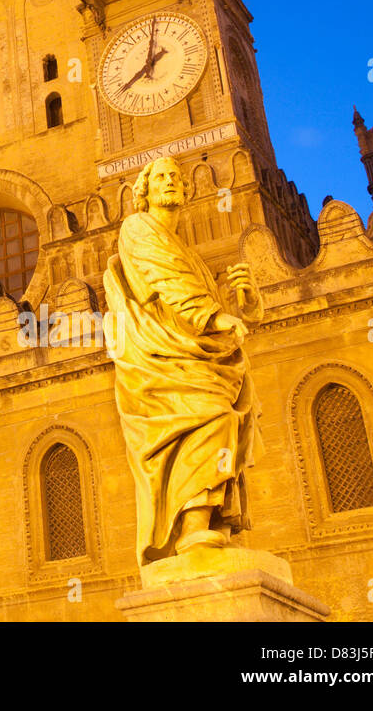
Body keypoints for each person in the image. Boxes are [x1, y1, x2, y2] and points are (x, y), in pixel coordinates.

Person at [103, 156, 263, 563]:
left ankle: (208, 524)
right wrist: (212, 314)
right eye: (160, 176)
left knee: (222, 416)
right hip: (158, 362)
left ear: (187, 189)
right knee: (214, 417)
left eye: (176, 176)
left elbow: (199, 312)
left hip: (188, 357)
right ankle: (193, 526)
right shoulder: (137, 228)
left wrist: (243, 304)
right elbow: (164, 283)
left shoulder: (191, 256)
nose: (170, 180)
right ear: (145, 191)